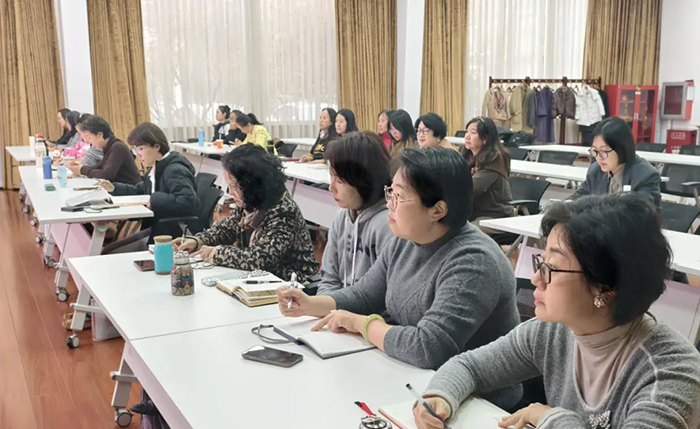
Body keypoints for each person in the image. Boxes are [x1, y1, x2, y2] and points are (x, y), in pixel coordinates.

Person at [414, 193, 700, 429]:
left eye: (552, 267)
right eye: (541, 262)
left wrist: (549, 418)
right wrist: (440, 397)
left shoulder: (670, 372)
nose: (536, 278)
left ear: (604, 289)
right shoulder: (554, 331)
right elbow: (470, 366)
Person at [277, 148, 521, 404]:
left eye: (399, 197)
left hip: (477, 402)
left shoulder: (474, 261)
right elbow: (364, 295)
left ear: (437, 210)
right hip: (414, 377)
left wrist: (361, 324)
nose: (389, 205)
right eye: (390, 193)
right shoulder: (407, 238)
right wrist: (309, 304)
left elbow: (428, 347)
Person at [173, 144, 318, 280]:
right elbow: (226, 229)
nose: (230, 192)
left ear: (252, 185)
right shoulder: (251, 202)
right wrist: (197, 241)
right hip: (261, 279)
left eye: (234, 187)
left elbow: (261, 259)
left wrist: (217, 252)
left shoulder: (283, 211)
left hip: (294, 282)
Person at [318, 131, 394, 294]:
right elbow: (329, 279)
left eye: (339, 180)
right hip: (338, 307)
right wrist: (326, 306)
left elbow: (385, 296)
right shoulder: (341, 217)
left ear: (364, 180)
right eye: (331, 177)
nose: (331, 187)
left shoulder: (388, 226)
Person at [96, 123, 199, 240]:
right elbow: (140, 189)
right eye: (135, 149)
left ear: (156, 146)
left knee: (116, 248)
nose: (138, 155)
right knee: (118, 245)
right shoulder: (155, 168)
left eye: (141, 148)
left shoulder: (174, 170)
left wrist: (154, 199)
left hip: (173, 233)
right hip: (158, 227)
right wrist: (114, 188)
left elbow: (187, 201)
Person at [571, 117, 661, 208]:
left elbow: (643, 212)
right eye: (595, 150)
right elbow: (577, 197)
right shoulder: (595, 171)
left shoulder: (645, 175)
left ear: (622, 149)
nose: (598, 157)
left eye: (604, 151)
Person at [462, 117, 516, 228]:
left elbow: (471, 188)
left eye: (473, 132)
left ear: (485, 138)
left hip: (494, 215)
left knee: (464, 233)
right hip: (473, 212)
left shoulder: (495, 159)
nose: (467, 136)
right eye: (467, 131)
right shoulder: (467, 155)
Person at [67, 116, 140, 184]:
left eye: (89, 137)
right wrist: (81, 168)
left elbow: (107, 174)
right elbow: (100, 167)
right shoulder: (109, 146)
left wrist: (81, 170)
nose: (88, 142)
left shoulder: (117, 147)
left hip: (130, 189)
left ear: (100, 135)